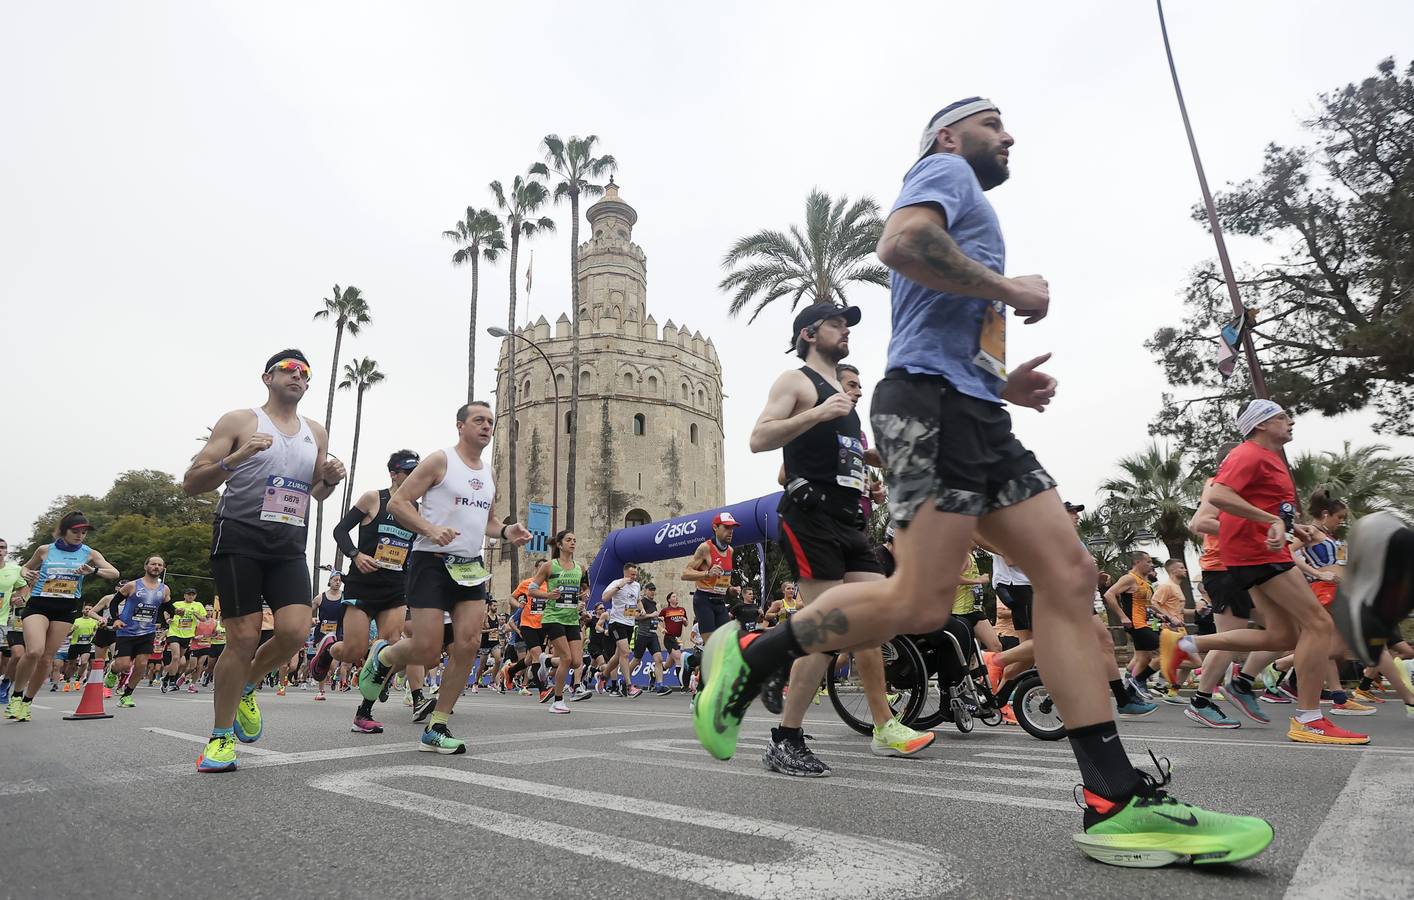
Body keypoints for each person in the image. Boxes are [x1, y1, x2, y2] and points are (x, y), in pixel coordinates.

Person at [692, 97, 1273, 866]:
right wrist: (1011, 290)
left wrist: (1003, 386)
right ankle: (754, 655)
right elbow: (900, 244)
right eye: (992, 122)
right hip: (929, 408)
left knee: (1069, 575)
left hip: (970, 408)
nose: (1007, 135)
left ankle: (1114, 799)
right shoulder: (943, 171)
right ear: (949, 134)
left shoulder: (963, 201)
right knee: (920, 602)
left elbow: (931, 327)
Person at [749, 302, 934, 775]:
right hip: (811, 518)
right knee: (829, 628)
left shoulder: (842, 397)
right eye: (836, 324)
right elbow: (760, 438)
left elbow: (843, 455)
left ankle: (881, 725)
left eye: (848, 325)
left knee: (872, 620)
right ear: (810, 333)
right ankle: (785, 738)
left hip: (850, 520)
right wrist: (816, 414)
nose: (845, 331)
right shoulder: (797, 382)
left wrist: (878, 463)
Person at [1160, 401, 1367, 746]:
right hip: (1257, 556)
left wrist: (1290, 526)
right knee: (1319, 625)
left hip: (1258, 554)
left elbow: (1266, 509)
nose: (1290, 422)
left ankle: (1184, 643)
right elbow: (1222, 496)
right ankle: (1310, 718)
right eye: (1282, 417)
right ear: (1260, 424)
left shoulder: (1269, 459)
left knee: (1282, 636)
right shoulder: (1248, 454)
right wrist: (1269, 521)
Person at [182, 349, 346, 772]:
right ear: (267, 377)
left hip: (288, 541)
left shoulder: (316, 432)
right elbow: (192, 483)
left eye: (305, 373)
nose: (298, 376)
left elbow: (314, 492)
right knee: (243, 637)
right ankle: (219, 739)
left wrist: (328, 480)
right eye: (289, 370)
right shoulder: (240, 421)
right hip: (239, 536)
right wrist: (234, 459)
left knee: (295, 632)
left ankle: (249, 685)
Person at [357, 401, 531, 753]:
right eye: (478, 420)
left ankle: (437, 726)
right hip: (431, 562)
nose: (486, 426)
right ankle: (385, 657)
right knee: (428, 648)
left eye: (490, 421)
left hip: (469, 567)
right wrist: (430, 529)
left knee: (466, 645)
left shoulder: (488, 474)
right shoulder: (440, 460)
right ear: (460, 426)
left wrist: (507, 530)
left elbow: (488, 522)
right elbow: (398, 503)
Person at [320, 450, 419, 728]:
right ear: (394, 474)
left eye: (417, 472)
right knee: (354, 652)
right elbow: (340, 530)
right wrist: (355, 554)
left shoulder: (418, 510)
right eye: (408, 472)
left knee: (389, 649)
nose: (413, 477)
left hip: (395, 588)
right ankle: (329, 650)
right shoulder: (374, 499)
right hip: (363, 585)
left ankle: (364, 713)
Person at [9, 512, 119, 721]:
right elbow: (25, 567)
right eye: (75, 531)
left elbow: (114, 573)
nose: (80, 536)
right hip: (39, 604)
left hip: (65, 608)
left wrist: (93, 571)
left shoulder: (89, 553)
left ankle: (27, 701)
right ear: (63, 531)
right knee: (34, 651)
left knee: (46, 659)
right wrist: (25, 573)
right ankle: (16, 695)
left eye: (83, 532)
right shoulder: (45, 550)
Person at [527, 531, 591, 713]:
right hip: (552, 617)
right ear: (560, 545)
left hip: (571, 619)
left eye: (574, 540)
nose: (572, 543)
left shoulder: (580, 567)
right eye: (569, 540)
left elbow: (585, 589)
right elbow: (532, 590)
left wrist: (583, 595)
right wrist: (548, 594)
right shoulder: (549, 566)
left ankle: (547, 662)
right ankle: (557, 701)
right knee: (567, 658)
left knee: (577, 662)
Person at [107, 556, 171, 708]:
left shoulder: (164, 589)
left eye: (160, 565)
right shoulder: (132, 585)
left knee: (141, 664)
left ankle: (127, 695)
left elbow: (168, 607)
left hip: (147, 631)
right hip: (126, 631)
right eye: (153, 564)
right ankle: (113, 670)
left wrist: (176, 612)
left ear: (162, 568)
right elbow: (114, 602)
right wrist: (116, 619)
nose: (156, 567)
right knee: (123, 665)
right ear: (146, 566)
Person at [600, 563, 645, 698]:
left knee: (618, 655)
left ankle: (603, 676)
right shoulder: (616, 583)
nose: (634, 577)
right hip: (616, 622)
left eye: (635, 575)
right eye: (632, 574)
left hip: (629, 622)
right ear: (625, 573)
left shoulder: (636, 586)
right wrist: (619, 586)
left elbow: (637, 600)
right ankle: (629, 686)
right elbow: (605, 598)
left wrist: (641, 609)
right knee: (625, 653)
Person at [309, 574, 346, 704]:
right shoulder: (320, 598)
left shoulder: (344, 597)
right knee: (322, 661)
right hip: (322, 634)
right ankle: (321, 690)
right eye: (335, 580)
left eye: (340, 581)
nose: (337, 582)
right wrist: (312, 619)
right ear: (329, 581)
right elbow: (307, 612)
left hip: (338, 633)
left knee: (333, 664)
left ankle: (333, 673)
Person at [162, 587, 207, 693]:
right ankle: (172, 682)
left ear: (195, 596)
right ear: (184, 595)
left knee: (180, 661)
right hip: (174, 632)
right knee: (176, 657)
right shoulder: (177, 603)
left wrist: (197, 615)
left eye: (193, 595)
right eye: (188, 594)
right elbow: (166, 612)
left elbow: (204, 619)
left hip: (187, 635)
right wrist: (168, 619)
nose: (190, 596)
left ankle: (166, 678)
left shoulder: (198, 605)